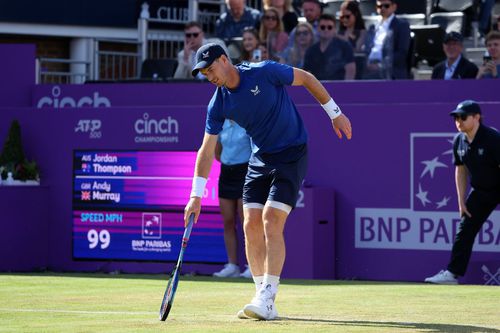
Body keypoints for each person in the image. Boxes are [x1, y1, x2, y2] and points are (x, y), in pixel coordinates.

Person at [184, 43, 352, 320]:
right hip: (259, 158)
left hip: (292, 153)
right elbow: (206, 149)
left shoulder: (264, 71)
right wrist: (195, 195)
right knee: (249, 222)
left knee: (271, 219)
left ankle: (268, 296)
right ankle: (262, 294)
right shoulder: (218, 102)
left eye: (210, 69)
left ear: (224, 60)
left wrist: (335, 113)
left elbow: (307, 78)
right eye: (203, 73)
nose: (208, 76)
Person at [425, 100, 500, 284]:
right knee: (464, 230)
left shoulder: (493, 138)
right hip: (482, 191)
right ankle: (452, 274)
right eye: (456, 117)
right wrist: (461, 201)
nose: (458, 121)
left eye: (463, 117)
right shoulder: (459, 140)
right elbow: (460, 169)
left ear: (477, 118)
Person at [212, 119, 253, 278]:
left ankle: (252, 266)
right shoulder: (221, 125)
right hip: (226, 174)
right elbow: (217, 153)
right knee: (228, 221)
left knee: (247, 222)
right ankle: (232, 266)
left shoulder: (246, 123)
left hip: (245, 172)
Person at [363, 0, 411, 80]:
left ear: (394, 7)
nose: (383, 8)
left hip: (391, 71)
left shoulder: (402, 25)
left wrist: (381, 65)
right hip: (370, 69)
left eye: (386, 6)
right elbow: (367, 49)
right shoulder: (372, 27)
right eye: (379, 6)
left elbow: (402, 53)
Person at [303, 14, 356, 80]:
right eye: (322, 27)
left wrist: (346, 88)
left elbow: (350, 70)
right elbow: (307, 73)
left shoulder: (345, 46)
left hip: (339, 87)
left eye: (329, 27)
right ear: (318, 29)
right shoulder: (311, 50)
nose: (326, 30)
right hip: (317, 88)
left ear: (334, 29)